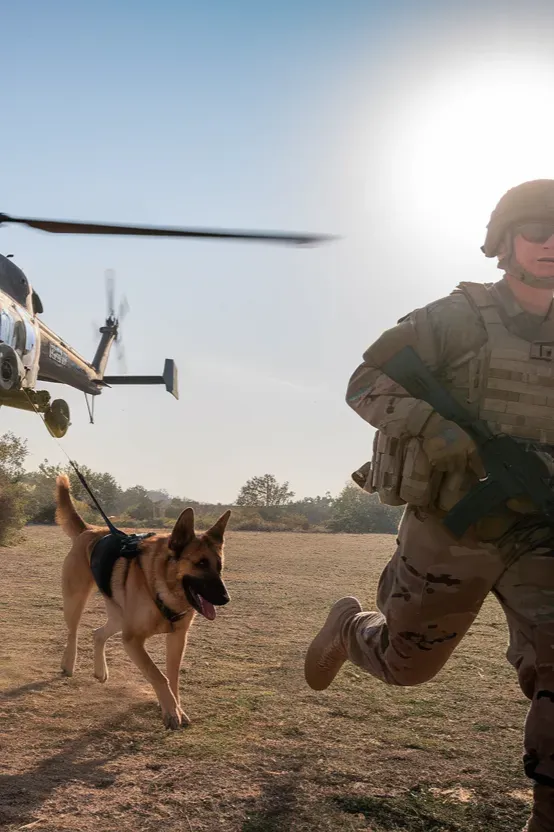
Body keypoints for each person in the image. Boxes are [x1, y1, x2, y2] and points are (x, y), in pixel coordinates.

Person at [304, 179, 554, 832]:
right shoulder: (460, 317)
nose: (551, 246)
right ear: (507, 243)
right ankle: (348, 629)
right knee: (405, 665)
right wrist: (433, 428)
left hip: (541, 532)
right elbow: (365, 383)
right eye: (537, 232)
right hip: (456, 522)